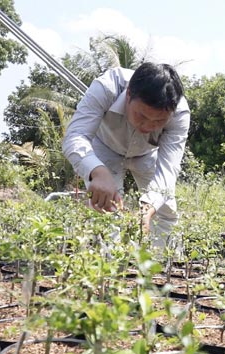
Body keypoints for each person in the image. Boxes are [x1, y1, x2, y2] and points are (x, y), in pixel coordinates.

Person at [62, 62, 190, 252]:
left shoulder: (179, 113)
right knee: (106, 208)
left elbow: (169, 168)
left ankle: (162, 266)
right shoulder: (106, 87)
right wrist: (97, 172)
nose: (147, 127)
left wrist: (148, 208)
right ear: (129, 94)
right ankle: (108, 267)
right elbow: (75, 136)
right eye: (142, 116)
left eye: (159, 121)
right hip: (105, 147)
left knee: (165, 211)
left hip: (146, 153)